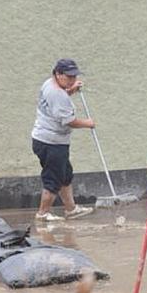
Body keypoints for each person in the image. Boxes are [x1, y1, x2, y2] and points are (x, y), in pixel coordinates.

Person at [31, 58, 96, 223]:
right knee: (53, 178)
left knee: (65, 174)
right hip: (51, 143)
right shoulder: (57, 93)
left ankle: (71, 208)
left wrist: (70, 90)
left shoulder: (50, 84)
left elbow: (55, 105)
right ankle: (43, 214)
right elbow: (68, 121)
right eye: (69, 77)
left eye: (74, 77)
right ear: (58, 74)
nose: (72, 80)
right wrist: (87, 123)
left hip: (48, 140)